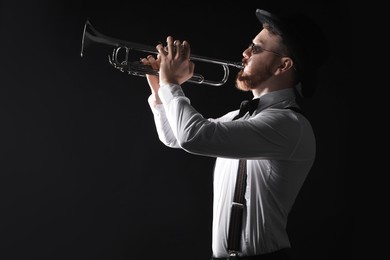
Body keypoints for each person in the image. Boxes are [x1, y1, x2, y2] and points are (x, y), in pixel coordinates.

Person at [140, 8, 329, 260]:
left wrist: (171, 84)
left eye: (257, 49)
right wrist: (160, 87)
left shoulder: (289, 124)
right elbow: (174, 136)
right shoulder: (240, 117)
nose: (245, 53)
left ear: (283, 65)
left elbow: (191, 136)